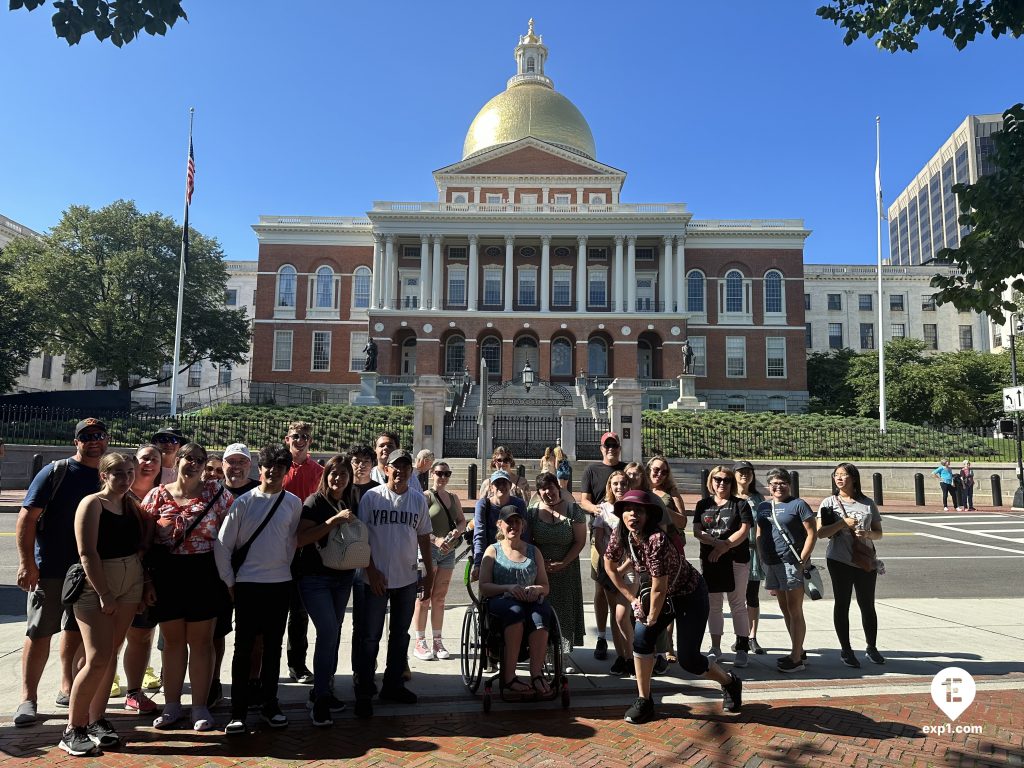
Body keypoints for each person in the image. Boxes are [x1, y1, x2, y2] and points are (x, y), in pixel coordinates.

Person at [604, 490, 742, 725]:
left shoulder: (656, 539)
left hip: (689, 594)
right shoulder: (620, 532)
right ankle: (644, 700)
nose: (632, 515)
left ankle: (729, 682)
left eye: (638, 510)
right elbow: (609, 564)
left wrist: (650, 617)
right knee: (641, 639)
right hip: (660, 594)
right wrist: (632, 600)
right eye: (627, 509)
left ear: (649, 515)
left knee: (689, 660)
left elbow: (659, 588)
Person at [15, 417, 106, 728]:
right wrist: (28, 562)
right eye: (87, 436)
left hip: (89, 570)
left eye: (99, 435)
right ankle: (28, 698)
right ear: (76, 442)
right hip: (52, 567)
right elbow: (27, 518)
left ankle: (68, 687)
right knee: (39, 631)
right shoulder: (56, 472)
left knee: (78, 632)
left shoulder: (109, 475)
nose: (94, 441)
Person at [58, 453, 150, 756]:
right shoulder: (92, 504)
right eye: (118, 474)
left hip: (130, 583)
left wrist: (142, 585)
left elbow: (139, 548)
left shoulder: (131, 505)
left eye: (129, 473)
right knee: (96, 656)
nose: (125, 479)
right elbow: (87, 553)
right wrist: (104, 594)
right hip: (96, 586)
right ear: (104, 475)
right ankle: (74, 727)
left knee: (111, 652)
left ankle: (97, 719)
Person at [141, 442, 233, 731]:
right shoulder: (157, 496)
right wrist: (146, 581)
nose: (193, 464)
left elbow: (238, 530)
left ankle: (199, 706)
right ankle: (171, 706)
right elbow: (142, 542)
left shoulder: (217, 495)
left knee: (202, 643)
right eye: (188, 459)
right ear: (177, 461)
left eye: (199, 460)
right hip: (168, 573)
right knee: (173, 643)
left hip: (204, 572)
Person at [215, 445, 303, 736]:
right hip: (247, 586)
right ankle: (238, 712)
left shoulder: (293, 503)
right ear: (260, 468)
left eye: (279, 467)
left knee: (273, 649)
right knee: (243, 650)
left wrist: (283, 572)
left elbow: (291, 544)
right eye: (268, 466)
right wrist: (230, 582)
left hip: (279, 585)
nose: (273, 471)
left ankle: (269, 704)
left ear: (286, 471)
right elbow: (223, 545)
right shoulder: (243, 503)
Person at [353, 449, 433, 719]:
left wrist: (430, 572)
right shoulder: (372, 497)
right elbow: (360, 539)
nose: (400, 471)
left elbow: (423, 537)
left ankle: (393, 685)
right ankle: (364, 690)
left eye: (405, 467)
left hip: (406, 579)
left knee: (400, 636)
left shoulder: (418, 500)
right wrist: (371, 570)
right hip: (375, 579)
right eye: (395, 467)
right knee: (370, 637)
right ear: (386, 468)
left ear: (412, 471)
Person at [295, 454, 360, 726]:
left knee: (333, 634)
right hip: (315, 578)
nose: (338, 478)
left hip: (342, 577)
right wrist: (333, 522)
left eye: (343, 474)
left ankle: (324, 689)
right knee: (328, 631)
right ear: (325, 475)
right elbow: (300, 539)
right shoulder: (314, 502)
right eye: (333, 473)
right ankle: (320, 698)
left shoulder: (347, 500)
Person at [478, 505, 556, 697]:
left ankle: (536, 674)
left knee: (542, 614)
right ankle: (509, 676)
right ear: (499, 525)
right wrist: (509, 588)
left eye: (517, 522)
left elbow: (545, 586)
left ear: (523, 526)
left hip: (530, 601)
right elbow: (484, 586)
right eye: (508, 522)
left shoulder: (533, 551)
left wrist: (536, 589)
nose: (513, 526)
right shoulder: (492, 551)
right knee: (515, 613)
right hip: (501, 601)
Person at [817, 462, 885, 668]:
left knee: (867, 604)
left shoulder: (867, 503)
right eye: (836, 475)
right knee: (842, 603)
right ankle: (846, 649)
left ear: (853, 478)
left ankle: (871, 647)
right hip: (839, 559)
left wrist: (867, 534)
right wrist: (841, 524)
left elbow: (879, 533)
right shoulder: (828, 502)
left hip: (864, 558)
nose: (839, 478)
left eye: (844, 475)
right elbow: (820, 533)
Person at [753, 468, 817, 673]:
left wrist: (802, 560)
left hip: (792, 563)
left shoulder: (798, 505)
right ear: (768, 486)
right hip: (772, 563)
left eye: (782, 483)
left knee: (795, 609)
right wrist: (762, 558)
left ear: (789, 485)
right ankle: (797, 649)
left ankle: (796, 658)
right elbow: (760, 532)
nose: (778, 487)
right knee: (784, 609)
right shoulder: (764, 506)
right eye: (774, 483)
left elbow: (812, 533)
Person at [118, 444, 163, 715]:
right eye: (144, 458)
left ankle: (134, 691)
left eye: (154, 459)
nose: (149, 463)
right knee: (109, 639)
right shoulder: (119, 493)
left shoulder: (165, 492)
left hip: (150, 575)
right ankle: (98, 689)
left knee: (142, 634)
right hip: (120, 574)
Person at [692, 466, 752, 667]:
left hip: (736, 558)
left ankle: (742, 648)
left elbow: (744, 530)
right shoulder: (702, 504)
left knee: (738, 604)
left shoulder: (741, 505)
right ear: (711, 481)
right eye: (717, 479)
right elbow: (697, 530)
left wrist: (725, 545)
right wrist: (715, 544)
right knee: (714, 604)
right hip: (711, 559)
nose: (721, 483)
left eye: (726, 480)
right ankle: (715, 647)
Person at [526, 472, 587, 656]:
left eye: (550, 487)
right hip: (541, 570)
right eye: (543, 489)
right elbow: (528, 541)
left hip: (567, 569)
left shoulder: (573, 510)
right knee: (542, 610)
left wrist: (564, 562)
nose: (547, 492)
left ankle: (562, 654)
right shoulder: (533, 513)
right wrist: (539, 562)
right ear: (538, 492)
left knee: (565, 611)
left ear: (558, 488)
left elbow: (580, 541)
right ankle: (544, 651)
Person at [579, 431, 627, 661]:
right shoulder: (592, 470)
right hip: (600, 535)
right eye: (607, 446)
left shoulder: (626, 470)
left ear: (619, 447)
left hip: (627, 540)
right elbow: (584, 500)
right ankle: (601, 635)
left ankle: (625, 635)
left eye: (614, 445)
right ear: (601, 449)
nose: (611, 449)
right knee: (601, 586)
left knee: (627, 588)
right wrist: (598, 510)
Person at [413, 460, 466, 661]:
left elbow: (462, 521)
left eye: (446, 474)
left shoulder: (453, 497)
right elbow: (418, 525)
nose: (442, 477)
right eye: (439, 473)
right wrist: (436, 540)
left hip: (448, 552)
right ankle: (420, 641)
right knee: (423, 597)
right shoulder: (425, 497)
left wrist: (456, 531)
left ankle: (437, 640)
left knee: (440, 598)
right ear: (432, 474)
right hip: (428, 551)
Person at [282, 421, 323, 685]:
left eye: (305, 436)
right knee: (273, 611)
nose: (300, 440)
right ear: (287, 439)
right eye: (296, 436)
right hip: (276, 546)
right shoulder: (277, 468)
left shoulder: (319, 471)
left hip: (306, 548)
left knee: (299, 612)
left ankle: (297, 665)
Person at [591, 470, 635, 676]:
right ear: (610, 486)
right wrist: (609, 563)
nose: (619, 487)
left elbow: (637, 543)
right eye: (615, 484)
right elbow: (598, 539)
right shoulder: (603, 509)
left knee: (623, 614)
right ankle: (622, 657)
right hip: (609, 567)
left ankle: (635, 655)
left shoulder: (634, 508)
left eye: (623, 483)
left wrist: (623, 566)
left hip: (630, 568)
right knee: (614, 613)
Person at [733, 461, 766, 655]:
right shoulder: (729, 496)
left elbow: (763, 526)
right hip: (733, 551)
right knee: (736, 598)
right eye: (740, 472)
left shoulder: (758, 498)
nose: (744, 475)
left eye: (748, 472)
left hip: (753, 551)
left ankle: (752, 636)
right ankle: (740, 636)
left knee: (751, 596)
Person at [471, 469, 528, 581]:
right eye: (497, 483)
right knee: (488, 592)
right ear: (491, 487)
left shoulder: (518, 504)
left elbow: (524, 532)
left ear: (510, 485)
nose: (501, 486)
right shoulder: (483, 505)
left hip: (513, 554)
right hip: (490, 554)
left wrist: (525, 558)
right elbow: (479, 534)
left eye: (504, 483)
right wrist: (478, 563)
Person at [647, 456, 686, 530]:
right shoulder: (642, 490)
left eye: (664, 472)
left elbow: (682, 523)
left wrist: (662, 508)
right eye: (656, 470)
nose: (659, 474)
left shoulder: (672, 491)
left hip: (669, 539)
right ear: (648, 469)